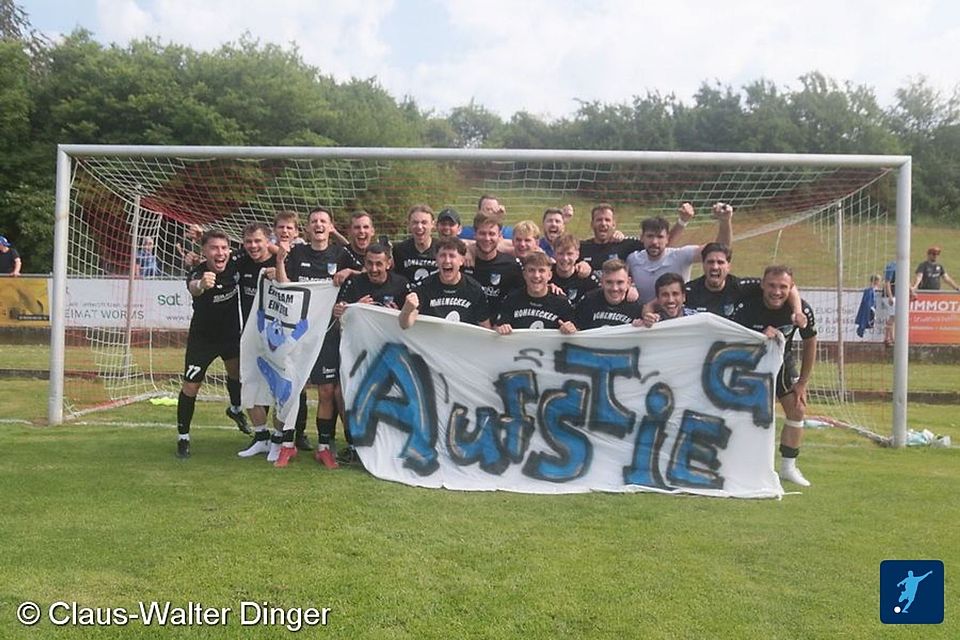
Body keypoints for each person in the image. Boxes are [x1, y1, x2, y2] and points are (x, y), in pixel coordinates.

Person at [276, 207, 353, 469]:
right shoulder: (297, 253)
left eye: (323, 221)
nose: (318, 225)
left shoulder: (341, 255)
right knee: (292, 388)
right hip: (298, 333)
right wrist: (278, 263)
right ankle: (288, 445)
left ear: (330, 227)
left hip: (328, 333)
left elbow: (369, 270)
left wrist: (349, 273)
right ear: (307, 229)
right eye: (314, 222)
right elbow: (285, 285)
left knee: (327, 391)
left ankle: (323, 447)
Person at [731, 265, 817, 487]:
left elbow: (810, 343)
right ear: (762, 284)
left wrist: (803, 383)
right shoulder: (746, 304)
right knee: (743, 415)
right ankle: (737, 462)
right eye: (771, 285)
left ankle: (788, 467)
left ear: (791, 288)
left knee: (797, 409)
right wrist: (758, 337)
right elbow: (729, 338)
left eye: (783, 287)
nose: (777, 291)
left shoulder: (802, 311)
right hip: (745, 362)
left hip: (780, 362)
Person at [332, 243, 410, 464]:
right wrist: (350, 309)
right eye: (369, 263)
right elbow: (339, 322)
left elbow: (414, 322)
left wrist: (400, 314)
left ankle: (393, 444)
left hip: (391, 354)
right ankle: (354, 444)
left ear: (389, 263)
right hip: (359, 353)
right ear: (363, 263)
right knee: (343, 392)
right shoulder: (354, 283)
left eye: (379, 264)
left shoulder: (401, 284)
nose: (374, 269)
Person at [175, 230, 248, 459]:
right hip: (203, 339)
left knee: (236, 373)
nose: (220, 253)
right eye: (214, 248)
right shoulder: (198, 273)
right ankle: (183, 437)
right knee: (191, 386)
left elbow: (262, 245)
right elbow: (193, 287)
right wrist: (201, 285)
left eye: (224, 248)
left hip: (230, 335)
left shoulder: (236, 263)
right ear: (204, 252)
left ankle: (235, 409)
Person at [234, 222, 287, 460]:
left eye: (258, 241)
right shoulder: (241, 262)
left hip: (279, 339)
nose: (253, 246)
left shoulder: (281, 263)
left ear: (269, 241)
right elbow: (220, 254)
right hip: (251, 336)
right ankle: (261, 437)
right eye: (249, 241)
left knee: (279, 389)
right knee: (250, 383)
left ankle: (278, 439)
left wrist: (279, 268)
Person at [627, 202, 733, 305]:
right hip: (645, 319)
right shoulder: (632, 259)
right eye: (650, 236)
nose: (655, 242)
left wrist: (725, 221)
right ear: (641, 238)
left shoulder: (681, 256)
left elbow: (720, 250)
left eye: (660, 237)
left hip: (677, 319)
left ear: (667, 238)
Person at [399, 236, 492, 329]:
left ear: (462, 260)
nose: (447, 261)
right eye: (442, 255)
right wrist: (407, 309)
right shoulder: (425, 287)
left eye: (452, 256)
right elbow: (405, 325)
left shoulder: (474, 289)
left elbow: (485, 326)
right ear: (436, 259)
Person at [495, 252, 576, 335]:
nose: (536, 275)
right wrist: (501, 328)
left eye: (541, 271)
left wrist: (569, 329)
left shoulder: (561, 302)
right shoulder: (512, 299)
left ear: (549, 275)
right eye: (531, 270)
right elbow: (497, 328)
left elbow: (576, 334)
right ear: (524, 274)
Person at [463, 211, 523, 320]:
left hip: (498, 330)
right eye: (482, 233)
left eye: (491, 234)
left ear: (499, 236)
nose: (487, 238)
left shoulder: (511, 266)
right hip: (467, 328)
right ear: (474, 234)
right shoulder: (464, 263)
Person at [573, 259, 645, 329]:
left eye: (620, 282)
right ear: (602, 282)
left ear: (628, 282)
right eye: (609, 282)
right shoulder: (589, 301)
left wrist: (641, 327)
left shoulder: (637, 307)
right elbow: (575, 327)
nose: (614, 288)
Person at [392, 204, 437, 286]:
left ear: (432, 224)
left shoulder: (441, 249)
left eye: (424, 222)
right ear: (409, 224)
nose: (419, 227)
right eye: (415, 222)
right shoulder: (399, 250)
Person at [551, 234, 600, 307]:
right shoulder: (547, 275)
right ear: (554, 254)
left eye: (569, 254)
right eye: (560, 254)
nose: (565, 258)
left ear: (577, 255)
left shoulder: (587, 278)